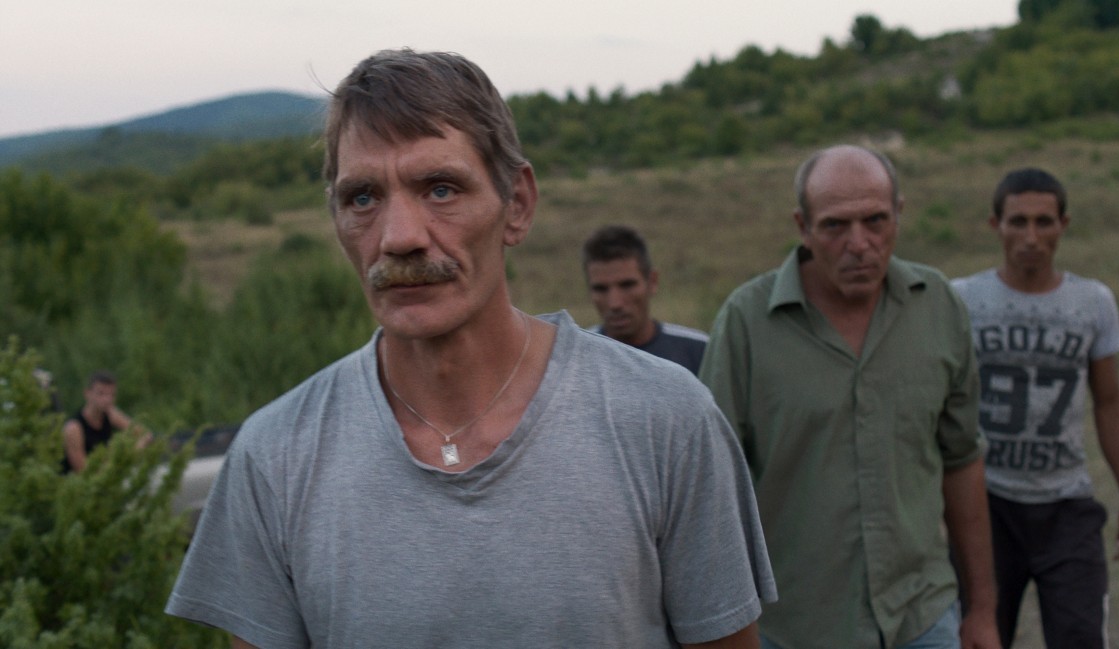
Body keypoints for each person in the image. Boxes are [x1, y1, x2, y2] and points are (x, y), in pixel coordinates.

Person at [166, 48, 775, 649]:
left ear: (517, 205)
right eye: (363, 198)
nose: (400, 238)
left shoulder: (666, 420)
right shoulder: (276, 456)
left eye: (440, 189)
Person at [700, 145, 1001, 649]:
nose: (859, 244)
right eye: (835, 226)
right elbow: (708, 490)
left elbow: (962, 460)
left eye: (875, 221)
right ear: (803, 226)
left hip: (921, 617)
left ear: (899, 214)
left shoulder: (938, 306)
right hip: (794, 626)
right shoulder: (746, 324)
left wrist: (984, 610)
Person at [951, 168, 1119, 649]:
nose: (1031, 237)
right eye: (1018, 222)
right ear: (995, 225)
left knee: (1081, 635)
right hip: (987, 504)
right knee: (980, 635)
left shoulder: (1092, 302)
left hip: (1067, 504)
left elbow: (1109, 401)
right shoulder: (963, 300)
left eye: (1044, 222)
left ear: (1064, 224)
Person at [582, 224, 709, 374]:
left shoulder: (700, 352)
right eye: (600, 289)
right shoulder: (577, 356)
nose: (615, 303)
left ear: (652, 282)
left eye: (627, 285)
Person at [61, 370, 144, 473]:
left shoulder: (110, 414)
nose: (107, 399)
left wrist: (134, 449)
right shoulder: (74, 428)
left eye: (111, 395)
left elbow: (144, 434)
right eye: (101, 394)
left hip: (106, 472)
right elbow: (82, 471)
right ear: (87, 393)